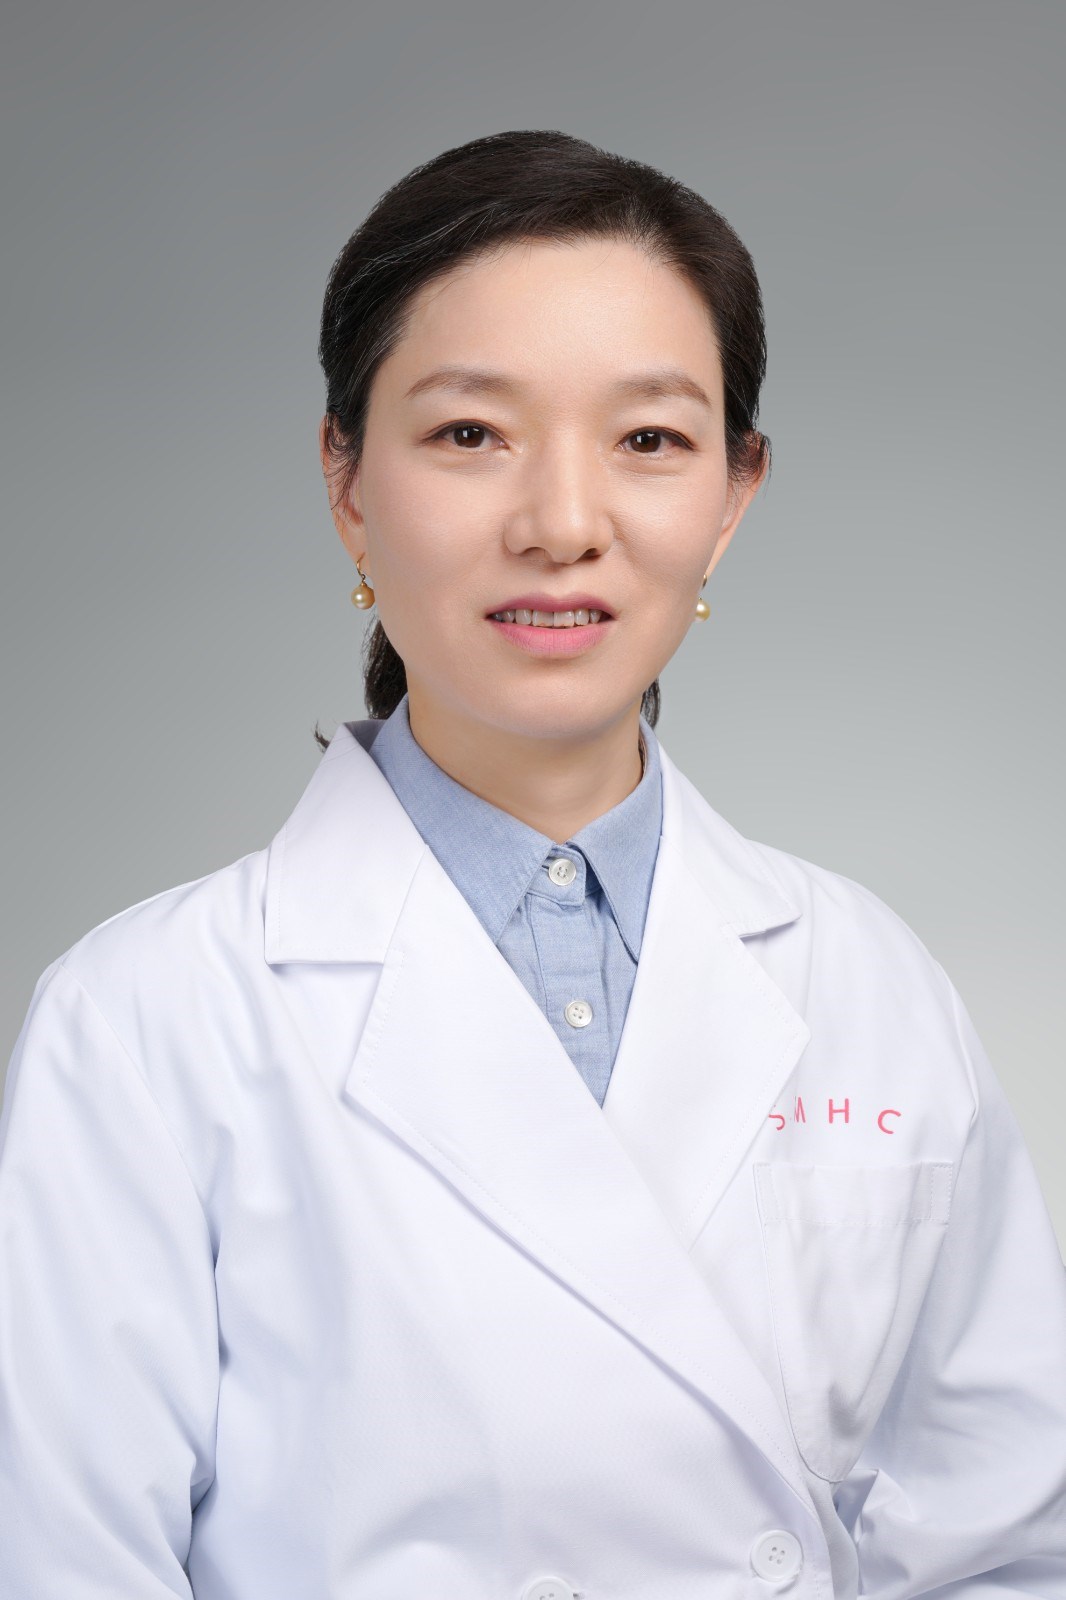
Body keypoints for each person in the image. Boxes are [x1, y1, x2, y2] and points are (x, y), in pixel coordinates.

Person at [1, 129, 1064, 1600]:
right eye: (468, 434)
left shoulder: (869, 979)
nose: (563, 526)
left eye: (650, 440)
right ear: (346, 482)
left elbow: (1010, 1544)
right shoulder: (143, 1018)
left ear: (735, 494)